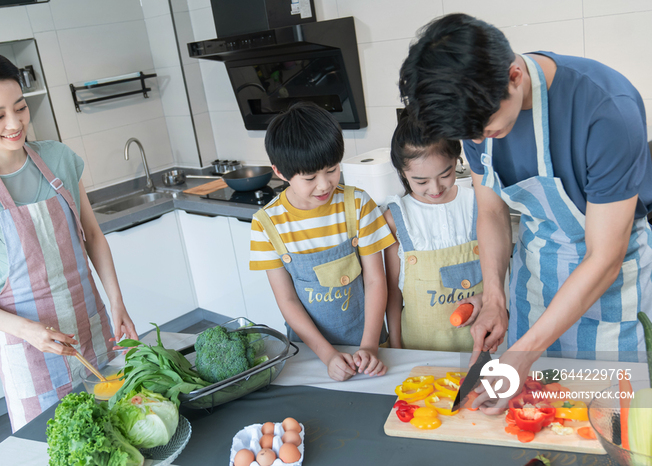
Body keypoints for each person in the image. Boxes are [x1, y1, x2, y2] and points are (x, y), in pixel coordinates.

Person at [399, 13, 652, 412]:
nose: (479, 141)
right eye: (470, 135)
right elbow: (491, 211)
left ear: (514, 76)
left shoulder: (606, 111)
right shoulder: (475, 115)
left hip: (609, 290)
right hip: (536, 281)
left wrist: (525, 352)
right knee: (530, 418)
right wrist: (496, 298)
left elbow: (604, 257)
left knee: (607, 420)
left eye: (485, 128)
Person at [0, 52, 138, 431]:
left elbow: (93, 237)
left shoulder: (58, 158)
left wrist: (117, 302)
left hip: (92, 327)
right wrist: (28, 332)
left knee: (119, 432)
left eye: (20, 108)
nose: (15, 123)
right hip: (30, 350)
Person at [249, 102, 395, 381]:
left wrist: (369, 346)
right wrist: (327, 355)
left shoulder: (358, 204)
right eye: (310, 177)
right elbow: (288, 300)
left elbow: (376, 280)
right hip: (309, 354)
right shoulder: (266, 224)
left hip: (369, 345)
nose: (325, 184)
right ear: (280, 172)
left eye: (332, 169)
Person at [384, 111, 483, 351]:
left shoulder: (477, 204)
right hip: (417, 350)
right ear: (402, 173)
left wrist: (487, 299)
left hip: (478, 346)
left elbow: (497, 272)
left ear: (457, 160)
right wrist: (396, 345)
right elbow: (393, 293)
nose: (435, 188)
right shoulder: (397, 218)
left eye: (445, 174)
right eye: (421, 181)